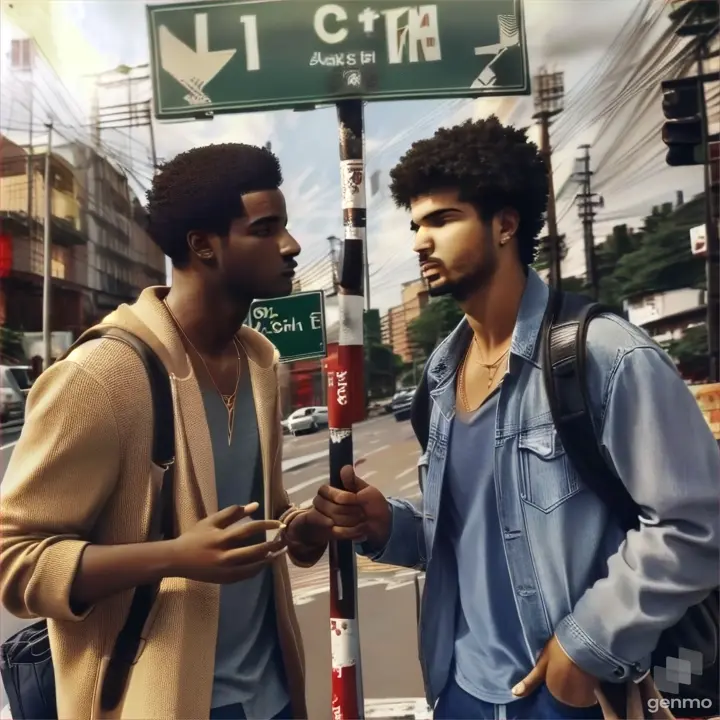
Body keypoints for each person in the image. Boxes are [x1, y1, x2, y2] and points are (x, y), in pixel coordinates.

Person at [302, 118, 720, 719]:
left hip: (571, 694)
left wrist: (584, 648)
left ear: (504, 224)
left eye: (442, 220)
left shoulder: (603, 355)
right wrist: (385, 525)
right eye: (416, 224)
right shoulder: (440, 380)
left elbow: (695, 525)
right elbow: (471, 540)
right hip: (460, 691)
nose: (420, 241)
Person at [0, 143, 328, 720]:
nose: (291, 245)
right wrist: (174, 556)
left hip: (273, 695)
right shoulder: (100, 376)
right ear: (204, 245)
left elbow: (258, 508)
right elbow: (13, 560)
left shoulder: (260, 363)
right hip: (163, 701)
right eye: (265, 228)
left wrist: (299, 525)